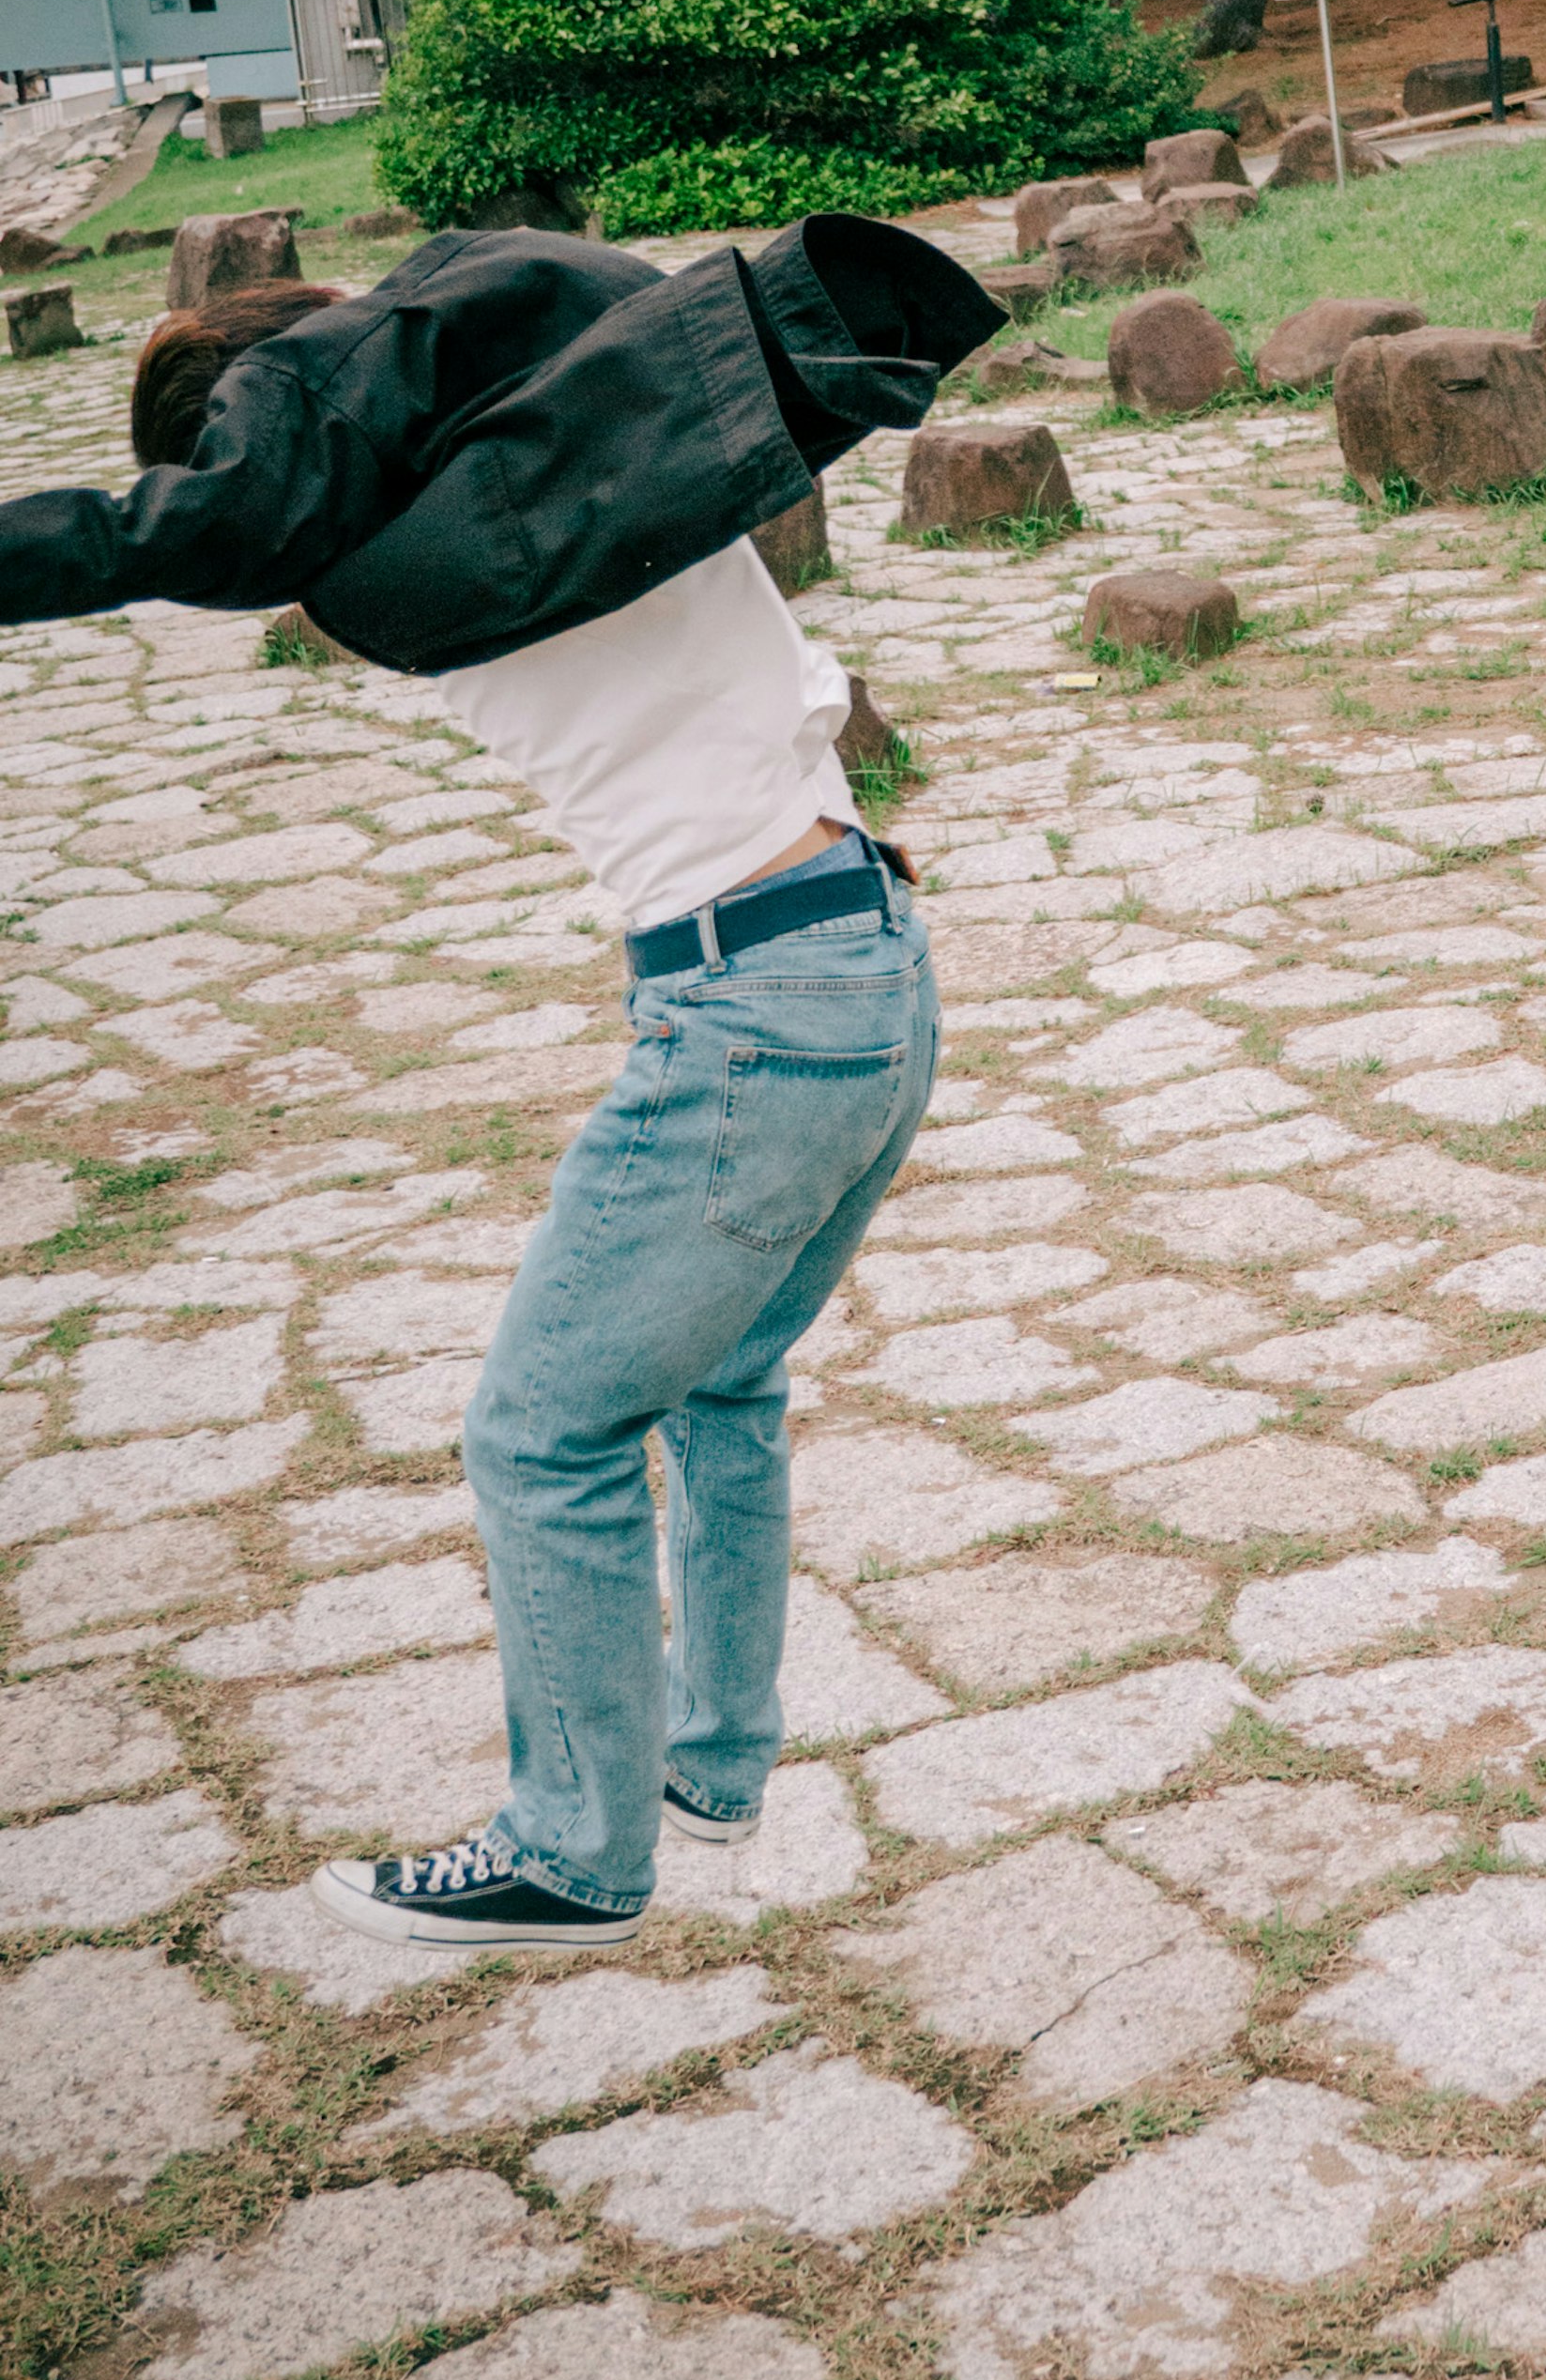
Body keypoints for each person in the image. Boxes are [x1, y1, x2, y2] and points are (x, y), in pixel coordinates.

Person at [0, 211, 999, 1958]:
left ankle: (575, 1848)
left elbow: (222, 531)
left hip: (752, 1009)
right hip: (872, 960)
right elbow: (581, 290)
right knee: (721, 1391)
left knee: (541, 1437)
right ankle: (711, 1771)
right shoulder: (623, 443)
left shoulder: (445, 566)